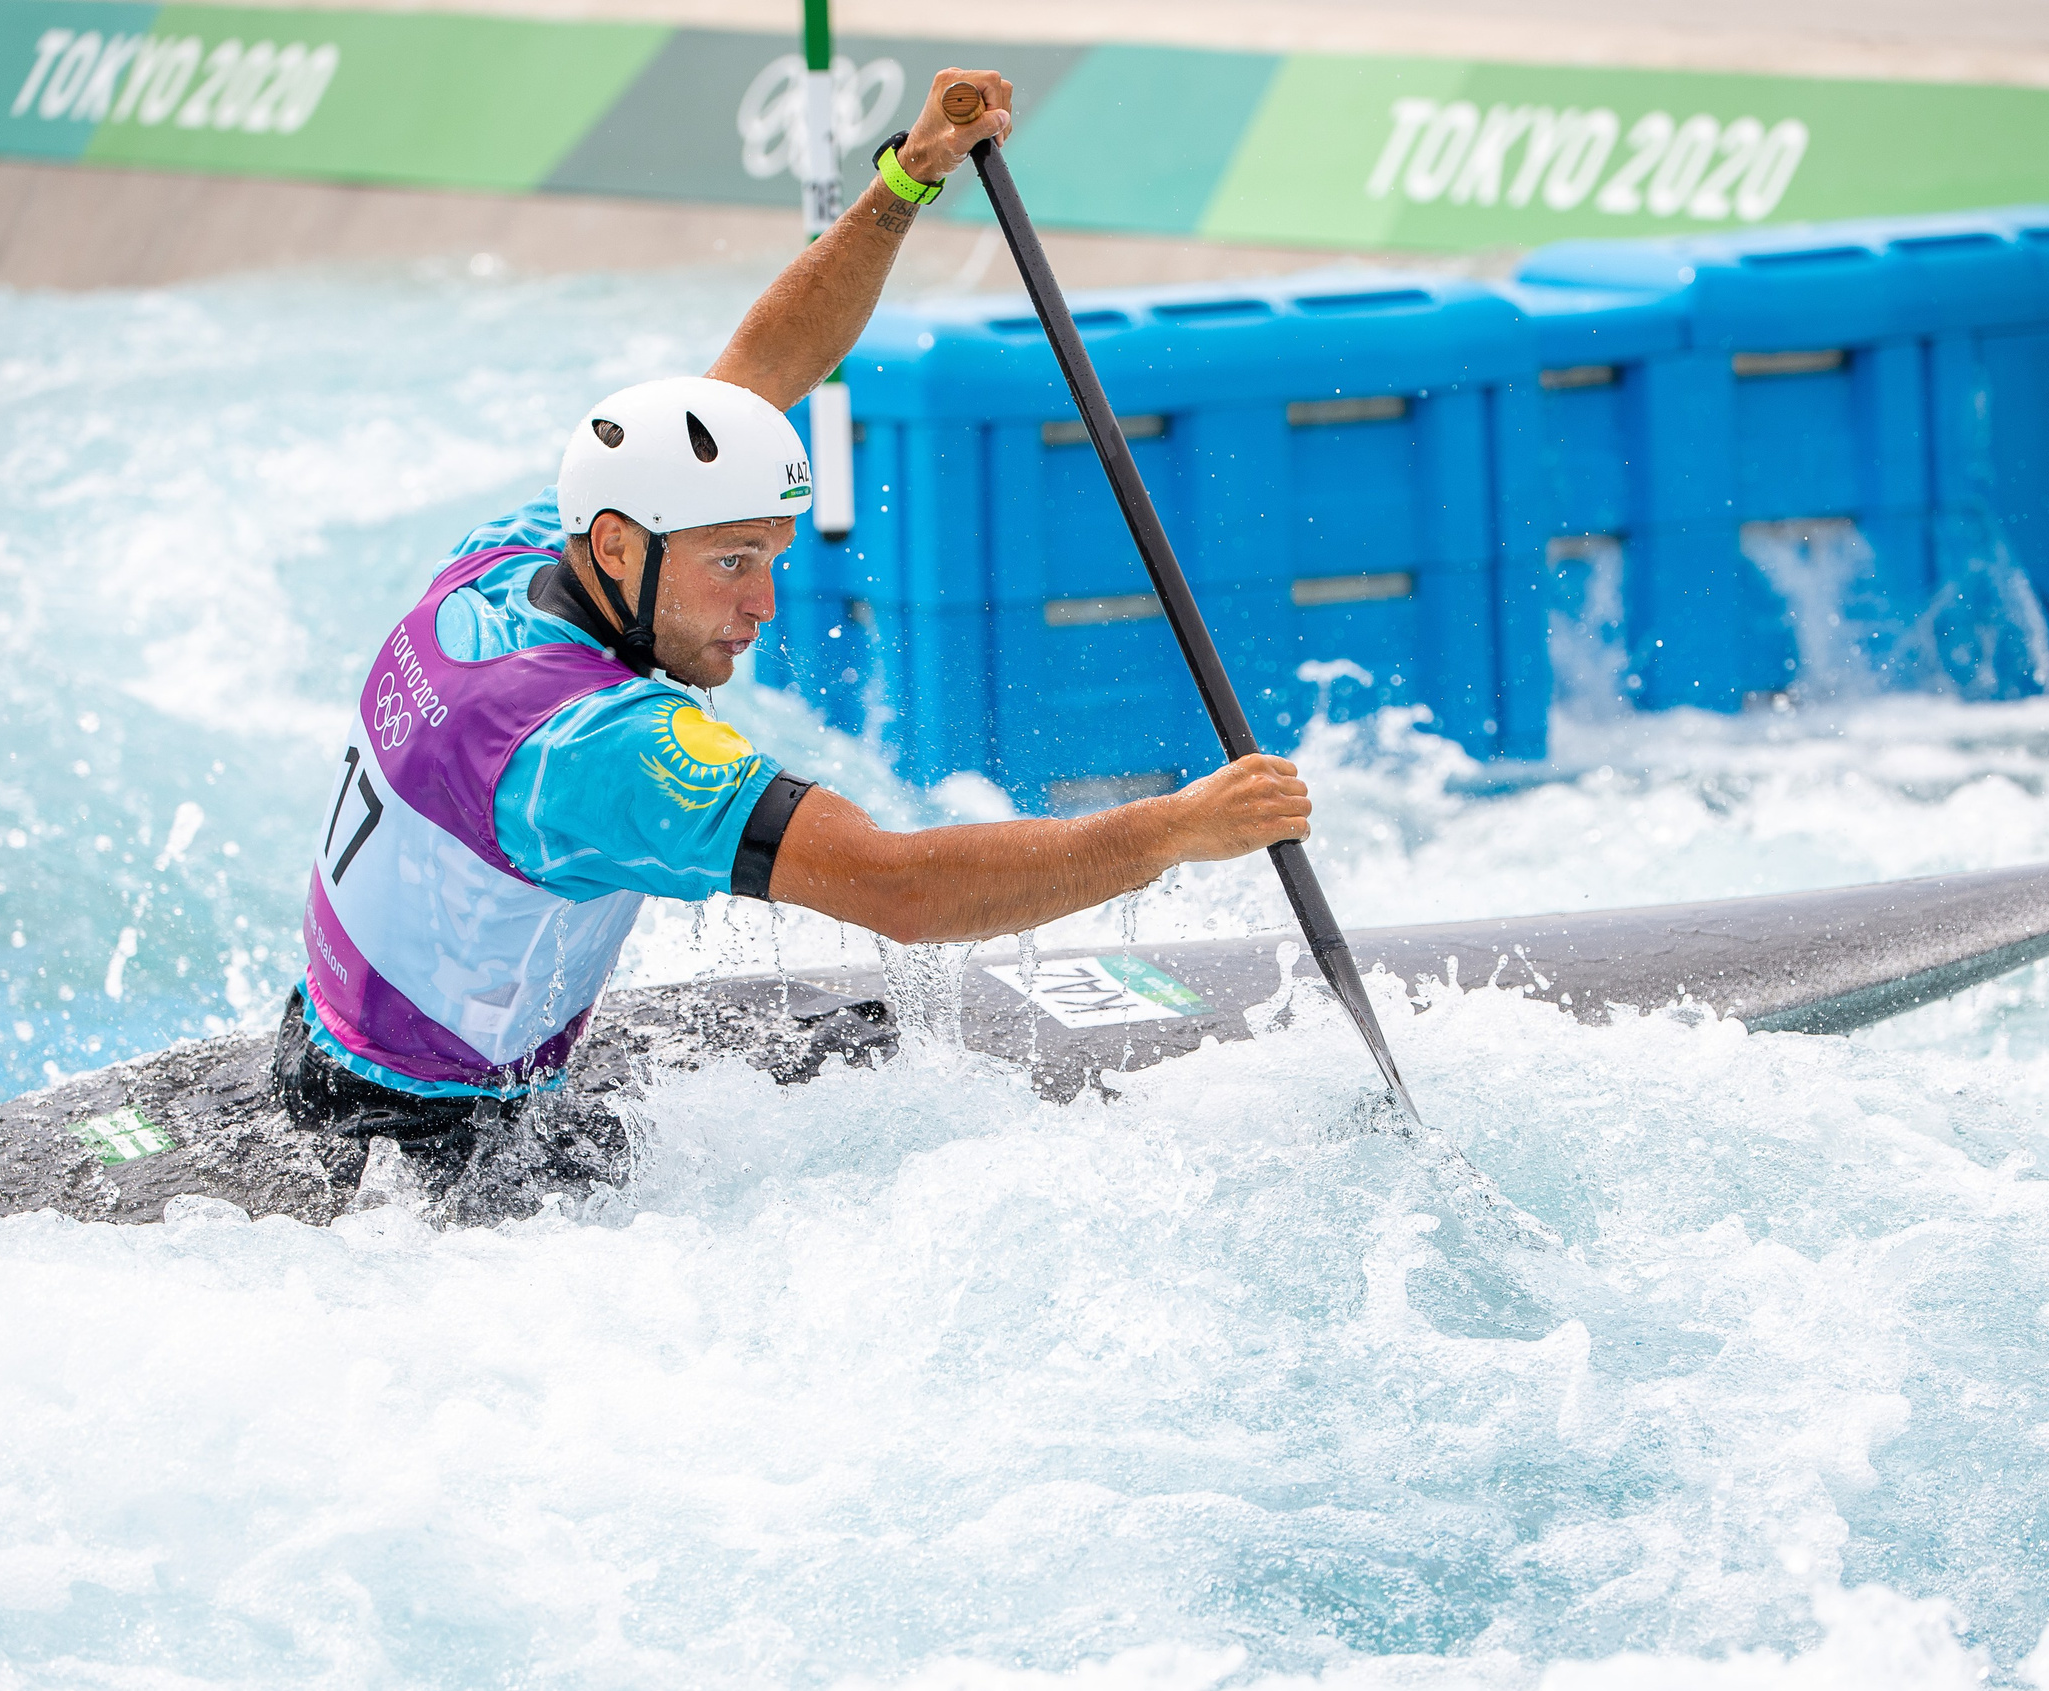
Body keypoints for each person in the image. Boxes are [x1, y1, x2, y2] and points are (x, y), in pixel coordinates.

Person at [275, 68, 1311, 1198]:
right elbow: (899, 890)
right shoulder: (590, 748)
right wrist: (1172, 829)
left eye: (772, 558)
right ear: (621, 550)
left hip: (325, 1044)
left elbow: (757, 376)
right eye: (733, 564)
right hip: (441, 1161)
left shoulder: (514, 558)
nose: (762, 606)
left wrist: (906, 181)